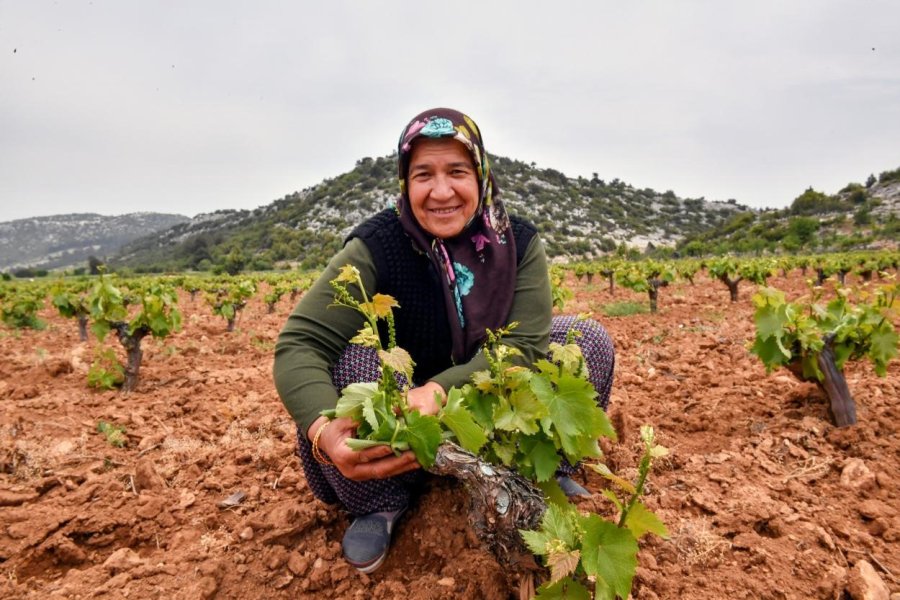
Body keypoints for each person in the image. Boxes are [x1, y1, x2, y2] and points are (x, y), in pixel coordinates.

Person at [273, 107, 615, 574]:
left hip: (493, 416)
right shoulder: (377, 246)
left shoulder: (517, 243)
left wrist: (439, 390)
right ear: (405, 182)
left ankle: (544, 469)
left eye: (457, 171)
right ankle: (379, 499)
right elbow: (300, 343)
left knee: (584, 338)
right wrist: (321, 430)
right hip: (404, 429)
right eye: (423, 175)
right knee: (350, 358)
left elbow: (524, 347)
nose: (441, 191)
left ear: (480, 175)